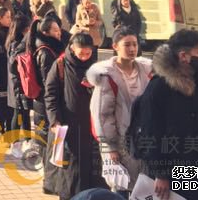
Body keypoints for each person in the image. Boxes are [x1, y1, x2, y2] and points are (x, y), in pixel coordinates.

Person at [137, 29, 198, 200]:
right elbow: (151, 132)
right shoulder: (159, 87)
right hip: (171, 170)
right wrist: (161, 173)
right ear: (183, 56)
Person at [87, 27, 152, 195]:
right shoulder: (107, 75)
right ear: (115, 46)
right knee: (121, 186)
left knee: (142, 187)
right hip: (118, 142)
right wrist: (110, 147)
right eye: (127, 45)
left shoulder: (146, 70)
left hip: (143, 140)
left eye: (135, 44)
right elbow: (102, 115)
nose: (132, 49)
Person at [43, 32, 106, 200]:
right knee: (70, 172)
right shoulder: (61, 65)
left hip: (91, 127)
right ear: (72, 48)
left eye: (88, 53)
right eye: (81, 53)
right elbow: (50, 95)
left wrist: (92, 87)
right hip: (68, 128)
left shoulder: (97, 67)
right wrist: (54, 120)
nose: (84, 57)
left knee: (92, 172)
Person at [26, 14, 67, 160]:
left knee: (45, 133)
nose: (59, 33)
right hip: (44, 101)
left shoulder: (50, 47)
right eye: (55, 30)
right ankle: (45, 164)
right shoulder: (45, 52)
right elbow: (48, 82)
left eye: (59, 29)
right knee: (45, 135)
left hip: (43, 100)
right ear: (45, 33)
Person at [6, 11, 33, 151]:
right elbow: (13, 66)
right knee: (18, 113)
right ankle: (15, 143)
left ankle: (28, 141)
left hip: (19, 82)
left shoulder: (16, 42)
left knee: (25, 113)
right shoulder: (17, 44)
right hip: (18, 83)